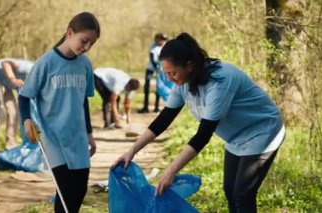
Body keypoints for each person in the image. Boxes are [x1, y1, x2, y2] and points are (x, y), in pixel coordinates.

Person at [114, 32, 285, 213]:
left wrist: (171, 171)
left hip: (262, 130)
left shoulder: (220, 81)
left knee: (242, 194)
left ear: (189, 66)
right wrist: (131, 151)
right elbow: (163, 120)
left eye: (172, 73)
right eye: (166, 74)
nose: (170, 78)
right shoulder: (183, 83)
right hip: (236, 137)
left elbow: (203, 136)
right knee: (230, 191)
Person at [18, 12, 100, 213]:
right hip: (52, 137)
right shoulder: (46, 63)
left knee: (79, 189)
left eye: (92, 43)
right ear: (69, 33)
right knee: (65, 191)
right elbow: (24, 96)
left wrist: (89, 134)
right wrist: (27, 121)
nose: (87, 47)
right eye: (84, 40)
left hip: (78, 138)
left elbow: (84, 102)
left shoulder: (85, 65)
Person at [0, 58, 34, 164]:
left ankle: (10, 148)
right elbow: (6, 63)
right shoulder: (30, 68)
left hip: (5, 82)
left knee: (14, 113)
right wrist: (13, 79)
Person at [138, 33, 168, 113]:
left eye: (163, 40)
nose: (162, 42)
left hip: (161, 68)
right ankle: (145, 107)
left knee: (159, 86)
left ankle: (157, 107)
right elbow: (152, 58)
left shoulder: (165, 46)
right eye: (160, 40)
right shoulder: (153, 45)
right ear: (156, 39)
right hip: (151, 67)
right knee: (147, 86)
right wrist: (156, 67)